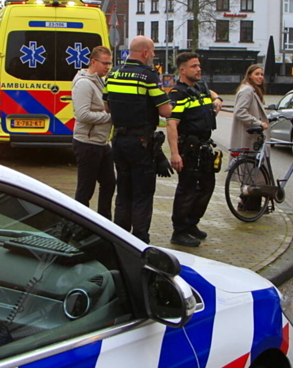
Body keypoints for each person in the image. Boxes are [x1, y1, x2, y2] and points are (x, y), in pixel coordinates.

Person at [105, 35, 171, 243]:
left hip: (118, 140)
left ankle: (120, 238)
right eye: (152, 52)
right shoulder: (149, 76)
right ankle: (140, 241)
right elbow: (166, 111)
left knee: (123, 191)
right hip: (141, 143)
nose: (153, 55)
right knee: (142, 193)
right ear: (144, 53)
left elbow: (107, 107)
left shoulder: (113, 73)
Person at [166, 52, 222, 247]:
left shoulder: (200, 87)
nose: (198, 69)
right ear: (182, 70)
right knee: (187, 190)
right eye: (194, 66)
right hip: (188, 149)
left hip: (204, 147)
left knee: (207, 187)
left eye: (199, 65)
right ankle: (179, 231)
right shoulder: (177, 93)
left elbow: (211, 92)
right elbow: (171, 124)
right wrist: (174, 154)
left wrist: (217, 98)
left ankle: (191, 224)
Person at [71, 45, 115, 219]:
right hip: (87, 143)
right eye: (104, 63)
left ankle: (104, 221)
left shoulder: (101, 81)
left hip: (102, 142)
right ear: (93, 62)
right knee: (85, 189)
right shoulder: (84, 84)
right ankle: (79, 223)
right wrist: (110, 117)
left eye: (109, 63)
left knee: (109, 183)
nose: (107, 67)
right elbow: (82, 115)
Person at [231, 64, 270, 151]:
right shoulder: (247, 90)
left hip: (251, 135)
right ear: (249, 75)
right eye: (257, 74)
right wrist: (259, 123)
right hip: (248, 136)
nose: (260, 77)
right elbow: (240, 112)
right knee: (248, 162)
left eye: (261, 74)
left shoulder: (252, 90)